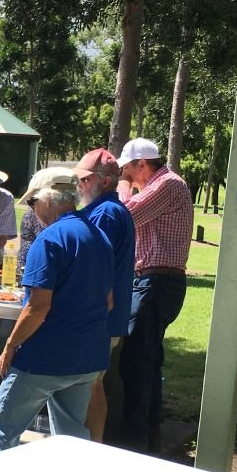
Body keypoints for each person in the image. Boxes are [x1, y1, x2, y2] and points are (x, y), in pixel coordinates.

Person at [0, 169, 113, 453]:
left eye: (32, 203)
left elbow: (37, 307)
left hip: (45, 357)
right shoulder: (99, 236)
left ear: (47, 199)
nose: (32, 211)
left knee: (1, 428)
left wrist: (11, 344)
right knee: (71, 438)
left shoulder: (50, 239)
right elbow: (109, 301)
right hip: (87, 357)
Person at [115, 137, 193, 451]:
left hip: (156, 283)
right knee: (147, 360)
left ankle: (135, 440)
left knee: (135, 362)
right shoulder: (161, 185)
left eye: (128, 170)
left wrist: (121, 187)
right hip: (154, 282)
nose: (127, 176)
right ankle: (149, 434)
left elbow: (126, 215)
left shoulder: (169, 185)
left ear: (142, 164)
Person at [74, 149, 136, 443]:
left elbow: (94, 262)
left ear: (106, 181)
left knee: (91, 384)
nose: (80, 185)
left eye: (86, 179)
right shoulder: (107, 209)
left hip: (101, 315)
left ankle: (93, 446)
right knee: (92, 383)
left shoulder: (106, 213)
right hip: (106, 314)